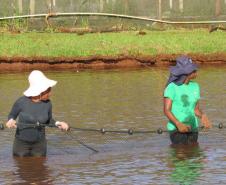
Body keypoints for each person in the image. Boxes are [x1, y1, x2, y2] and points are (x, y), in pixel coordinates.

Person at [6, 70, 69, 157]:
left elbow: (48, 120)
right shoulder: (21, 102)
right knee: (20, 167)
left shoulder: (48, 104)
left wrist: (59, 123)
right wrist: (10, 121)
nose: (51, 93)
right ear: (41, 91)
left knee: (40, 168)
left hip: (40, 144)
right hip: (21, 144)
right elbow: (11, 115)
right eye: (48, 91)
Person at [163, 56, 211, 145]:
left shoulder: (195, 86)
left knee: (195, 154)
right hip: (177, 129)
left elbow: (195, 109)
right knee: (181, 155)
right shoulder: (172, 87)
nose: (196, 71)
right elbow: (166, 110)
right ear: (186, 73)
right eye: (193, 70)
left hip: (193, 128)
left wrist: (203, 116)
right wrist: (178, 124)